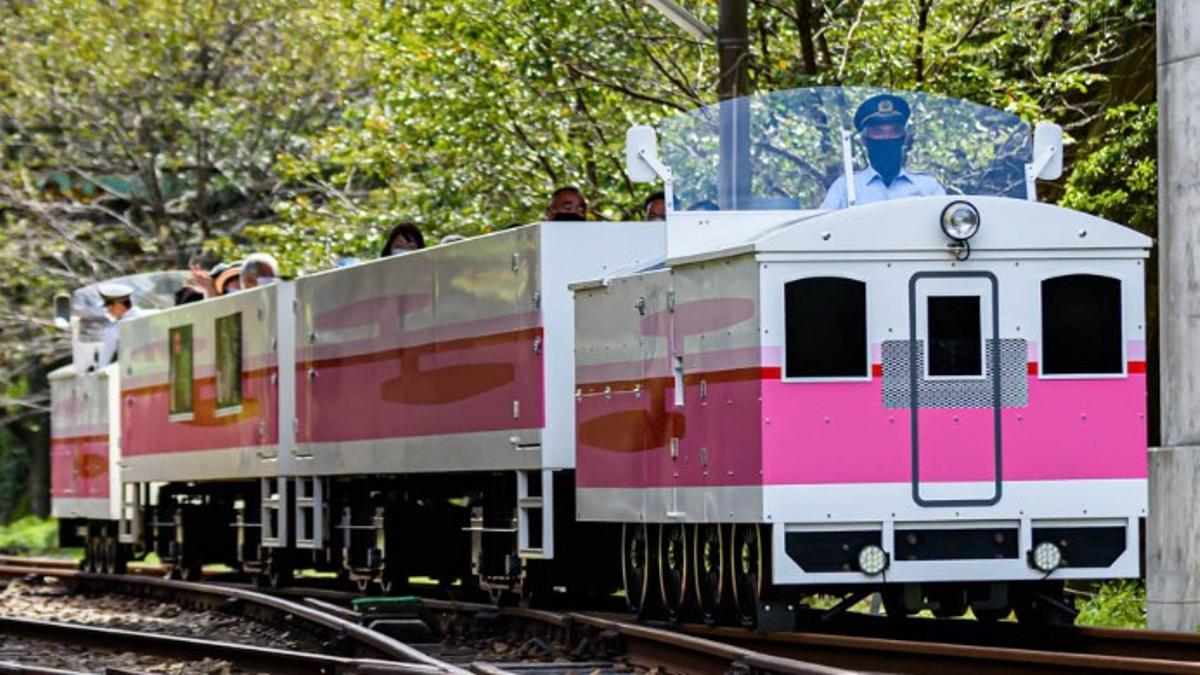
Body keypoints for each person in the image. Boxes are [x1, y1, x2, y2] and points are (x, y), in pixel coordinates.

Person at [819, 94, 945, 210]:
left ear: (903, 138)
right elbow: (821, 229)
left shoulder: (928, 188)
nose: (887, 138)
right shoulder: (845, 188)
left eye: (894, 131)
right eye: (878, 132)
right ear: (865, 140)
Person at [96, 282, 143, 367]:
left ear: (119, 304)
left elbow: (104, 361)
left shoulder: (114, 329)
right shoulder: (146, 315)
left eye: (109, 305)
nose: (108, 310)